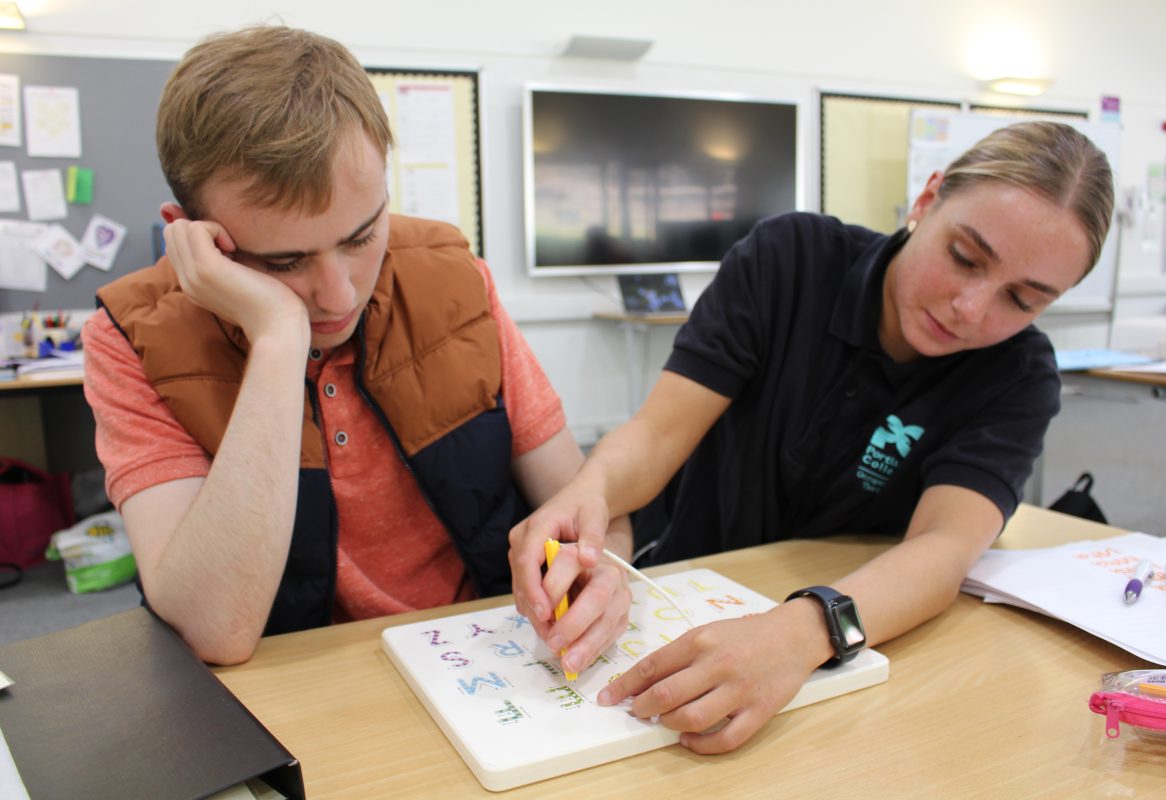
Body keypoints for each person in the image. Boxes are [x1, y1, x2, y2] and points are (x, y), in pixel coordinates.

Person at [509, 121, 1113, 753]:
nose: (971, 307)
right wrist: (591, 491)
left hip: (848, 632)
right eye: (964, 257)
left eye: (1022, 299)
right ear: (927, 200)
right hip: (687, 584)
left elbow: (944, 549)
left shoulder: (1017, 375)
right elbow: (658, 433)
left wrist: (802, 632)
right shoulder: (790, 259)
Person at [82, 25, 631, 665]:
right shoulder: (131, 336)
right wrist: (278, 337)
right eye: (284, 262)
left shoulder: (454, 279)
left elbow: (585, 500)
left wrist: (604, 567)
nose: (339, 296)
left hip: (482, 662)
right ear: (191, 239)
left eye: (363, 235)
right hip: (294, 685)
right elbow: (214, 629)